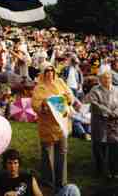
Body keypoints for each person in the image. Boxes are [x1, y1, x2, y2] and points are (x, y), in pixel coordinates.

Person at [32, 65, 74, 193]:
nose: (50, 73)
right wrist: (44, 105)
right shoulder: (39, 87)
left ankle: (62, 184)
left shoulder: (60, 82)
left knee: (62, 155)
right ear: (43, 73)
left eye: (51, 70)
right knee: (48, 158)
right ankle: (49, 184)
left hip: (62, 127)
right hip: (47, 128)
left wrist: (68, 99)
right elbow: (35, 105)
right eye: (47, 71)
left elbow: (69, 95)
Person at [0, 149, 80, 196]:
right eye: (10, 163)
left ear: (19, 164)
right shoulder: (2, 180)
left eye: (15, 163)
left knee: (72, 188)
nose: (13, 166)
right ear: (5, 164)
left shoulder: (28, 177)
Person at [84, 71, 118, 177]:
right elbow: (95, 104)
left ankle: (114, 170)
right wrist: (109, 112)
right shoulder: (95, 90)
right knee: (99, 145)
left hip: (114, 122)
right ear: (100, 80)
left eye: (109, 78)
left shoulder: (116, 89)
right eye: (104, 78)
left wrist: (115, 113)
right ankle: (101, 169)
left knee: (114, 145)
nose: (107, 80)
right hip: (99, 121)